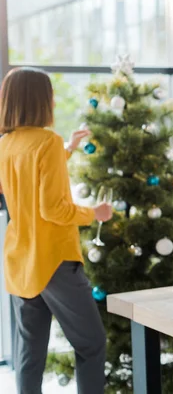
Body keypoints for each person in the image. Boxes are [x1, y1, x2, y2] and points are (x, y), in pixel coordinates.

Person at [0, 67, 112, 394]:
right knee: (92, 344)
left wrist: (69, 150)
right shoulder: (48, 141)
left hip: (21, 260)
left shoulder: (5, 144)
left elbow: (24, 181)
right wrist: (95, 213)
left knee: (29, 354)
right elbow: (53, 209)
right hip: (54, 261)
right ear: (40, 99)